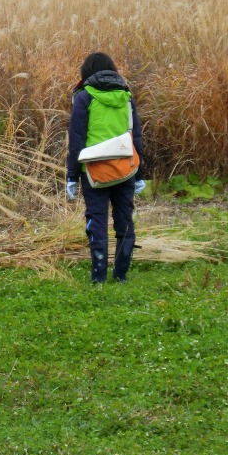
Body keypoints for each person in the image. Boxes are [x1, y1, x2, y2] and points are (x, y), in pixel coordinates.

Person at [66, 52, 146, 284]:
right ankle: (121, 276)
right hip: (126, 169)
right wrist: (139, 174)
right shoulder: (126, 96)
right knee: (125, 220)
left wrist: (72, 175)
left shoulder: (84, 97)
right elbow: (136, 136)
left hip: (94, 172)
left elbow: (77, 139)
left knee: (97, 220)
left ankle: (98, 278)